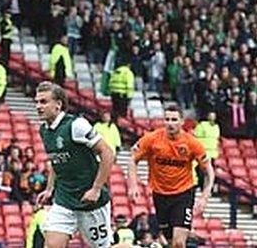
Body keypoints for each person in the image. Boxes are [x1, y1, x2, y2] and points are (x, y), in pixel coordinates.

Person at [34, 81, 115, 248]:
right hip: (64, 199)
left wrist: (96, 189)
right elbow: (57, 161)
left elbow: (108, 153)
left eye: (43, 102)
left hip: (90, 201)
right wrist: (49, 189)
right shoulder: (44, 130)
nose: (38, 106)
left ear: (58, 104)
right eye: (37, 102)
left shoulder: (76, 125)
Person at [129, 105, 215, 248]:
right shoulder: (152, 139)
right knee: (169, 241)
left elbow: (209, 171)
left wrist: (205, 196)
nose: (170, 123)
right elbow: (133, 159)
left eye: (174, 119)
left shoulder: (192, 143)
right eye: (167, 119)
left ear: (182, 122)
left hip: (183, 194)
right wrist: (132, 185)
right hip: (160, 195)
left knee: (178, 242)